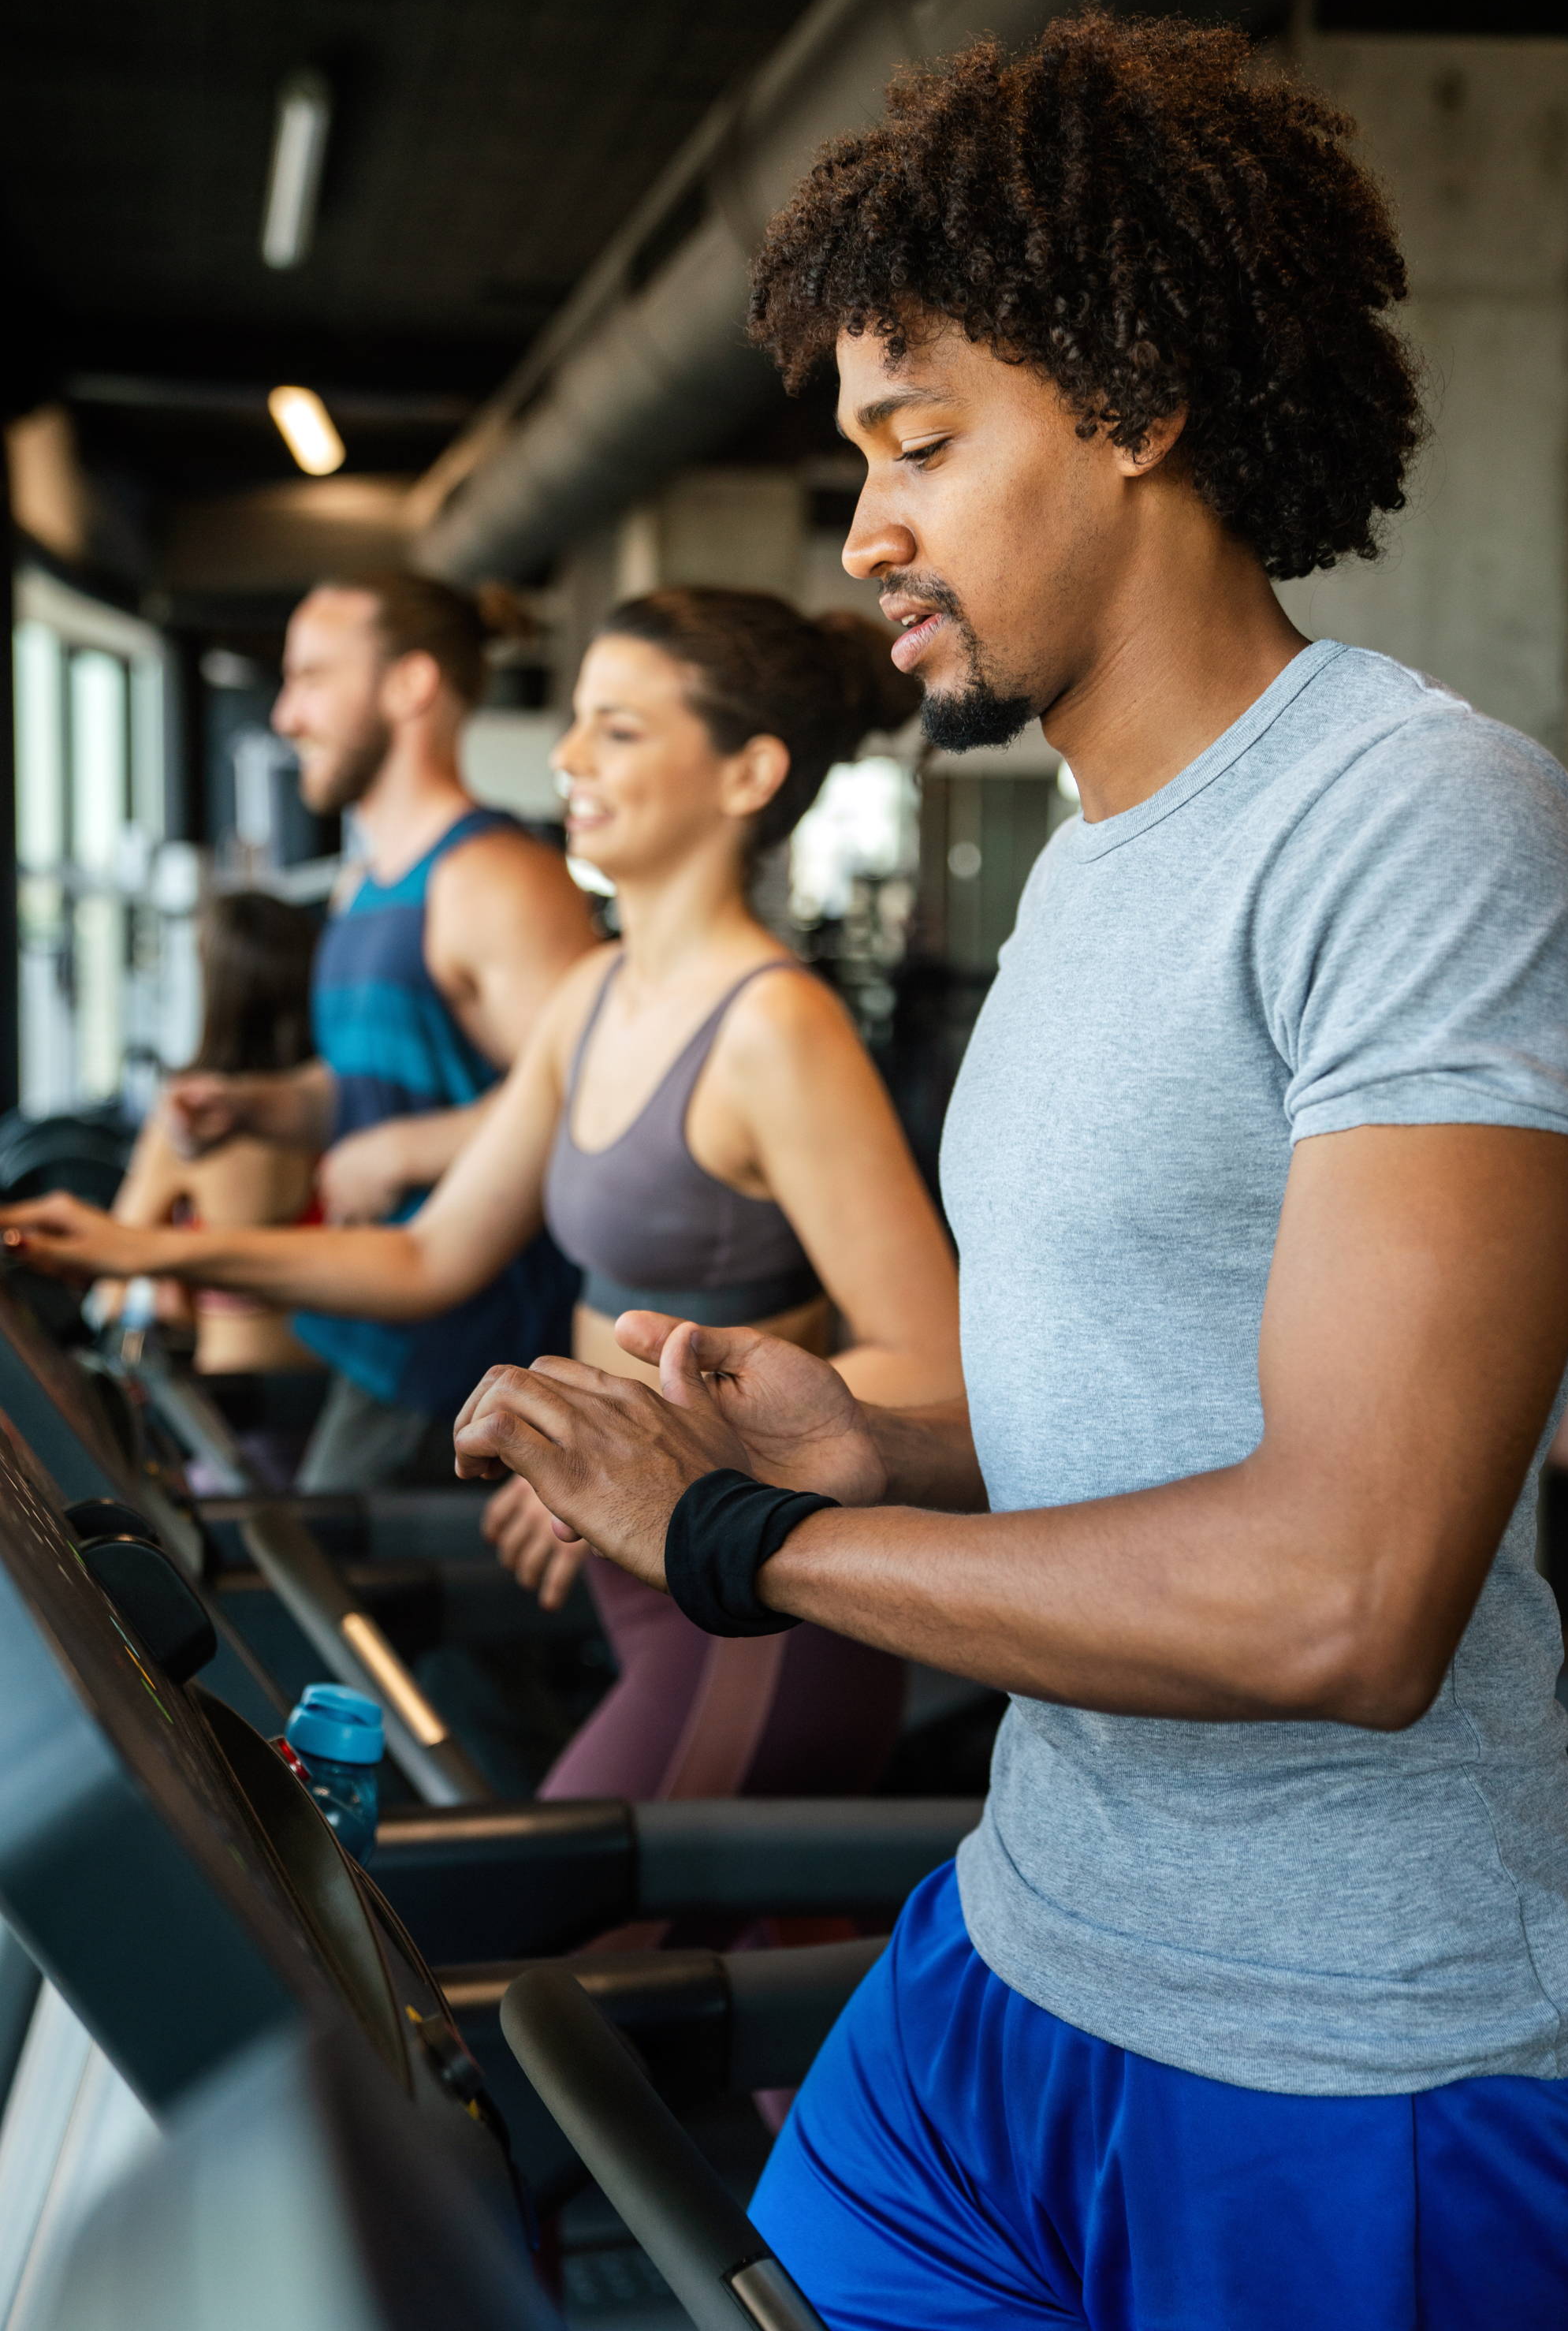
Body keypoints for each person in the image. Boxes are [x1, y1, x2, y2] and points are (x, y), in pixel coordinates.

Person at [428, 13, 1568, 2331]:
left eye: (920, 446)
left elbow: (1347, 1595)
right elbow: (1166, 1383)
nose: (864, 530)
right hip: (1015, 1943)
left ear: (1137, 402)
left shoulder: (1417, 820)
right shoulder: (1087, 861)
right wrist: (879, 1433)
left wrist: (759, 1542)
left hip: (1344, 2068)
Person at [2, 587, 962, 1806]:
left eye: (617, 729)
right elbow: (429, 1259)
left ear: (747, 774)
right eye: (575, 722)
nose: (566, 758)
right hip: (635, 1572)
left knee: (542, 1953)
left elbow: (936, 1367)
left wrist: (648, 1435)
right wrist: (134, 1245)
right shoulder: (597, 992)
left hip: (751, 1608)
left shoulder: (776, 1027)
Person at [168, 570, 598, 1490]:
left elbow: (598, 1105)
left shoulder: (494, 878)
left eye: (313, 677)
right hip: (374, 1327)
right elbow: (364, 1086)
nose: (286, 716)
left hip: (474, 1357)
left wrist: (406, 1150)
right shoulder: (360, 885)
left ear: (411, 685)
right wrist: (255, 1107)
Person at [98, 889, 322, 1378]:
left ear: (213, 990)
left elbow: (111, 1287)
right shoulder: (348, 1108)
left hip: (233, 1416)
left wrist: (179, 1278)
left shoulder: (188, 1125)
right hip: (345, 1394)